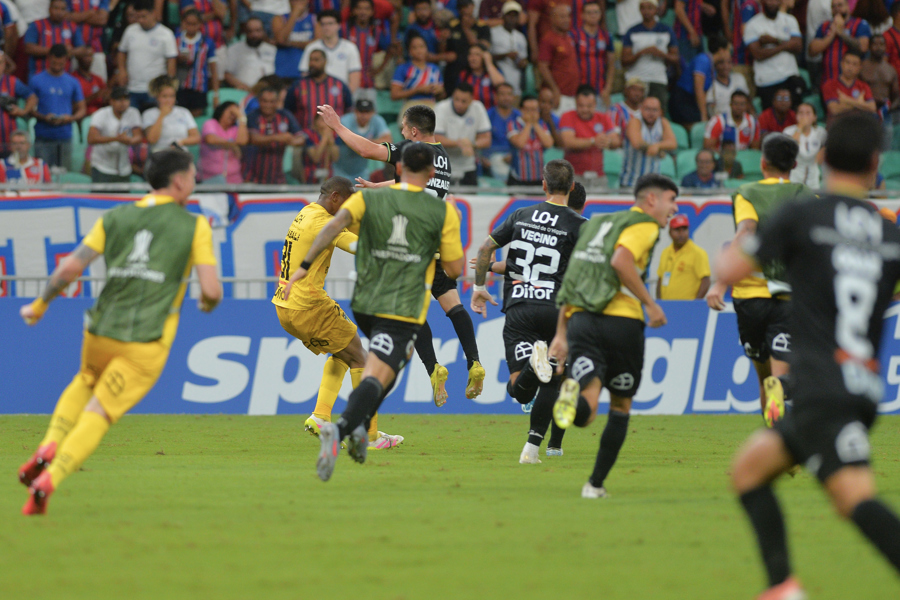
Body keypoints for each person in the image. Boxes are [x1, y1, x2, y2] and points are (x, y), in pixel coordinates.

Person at [722, 111, 900, 600]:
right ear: (875, 164)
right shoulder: (889, 233)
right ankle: (782, 587)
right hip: (860, 386)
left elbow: (733, 267)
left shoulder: (802, 216)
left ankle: (782, 587)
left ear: (821, 158)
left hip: (822, 385)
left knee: (853, 497)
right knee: (750, 469)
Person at [17, 148, 222, 515]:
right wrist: (208, 303)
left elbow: (69, 268)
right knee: (99, 412)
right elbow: (211, 290)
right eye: (192, 175)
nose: (194, 181)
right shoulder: (195, 226)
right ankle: (49, 480)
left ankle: (49, 444)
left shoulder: (115, 217)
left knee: (86, 379)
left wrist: (39, 305)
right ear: (178, 182)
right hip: (146, 342)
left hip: (100, 330)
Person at [280, 143, 464, 481]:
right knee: (375, 368)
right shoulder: (441, 211)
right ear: (432, 174)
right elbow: (454, 269)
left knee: (352, 354)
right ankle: (364, 431)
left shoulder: (359, 201)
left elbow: (336, 226)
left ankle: (327, 418)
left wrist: (303, 267)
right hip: (400, 305)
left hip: (361, 302)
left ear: (399, 169)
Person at [318, 102, 485, 404]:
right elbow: (413, 183)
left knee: (413, 311)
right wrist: (378, 186)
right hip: (437, 242)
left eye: (405, 129)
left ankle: (434, 369)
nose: (402, 134)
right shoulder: (441, 157)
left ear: (414, 131)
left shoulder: (410, 150)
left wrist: (337, 126)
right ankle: (474, 361)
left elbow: (368, 150)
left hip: (415, 246)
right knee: (453, 305)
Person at [548, 173, 678, 499]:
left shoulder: (596, 224)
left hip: (581, 321)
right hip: (621, 324)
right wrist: (650, 304)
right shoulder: (644, 225)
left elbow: (574, 276)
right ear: (651, 200)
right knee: (620, 405)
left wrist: (561, 333)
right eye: (671, 200)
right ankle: (594, 485)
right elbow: (622, 260)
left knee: (586, 411)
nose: (674, 208)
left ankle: (571, 397)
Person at [273, 176, 403, 449]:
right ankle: (368, 435)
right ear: (335, 198)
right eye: (347, 202)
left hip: (285, 306)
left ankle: (321, 416)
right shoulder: (324, 222)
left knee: (344, 352)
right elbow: (357, 246)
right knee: (361, 357)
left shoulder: (306, 213)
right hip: (308, 304)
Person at [471, 159, 586, 463]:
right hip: (556, 310)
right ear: (572, 187)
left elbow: (484, 250)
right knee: (553, 377)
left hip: (519, 307)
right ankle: (532, 449)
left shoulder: (521, 215)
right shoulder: (580, 226)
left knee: (518, 390)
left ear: (544, 185)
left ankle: (535, 369)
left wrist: (479, 286)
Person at [706, 133, 810, 419]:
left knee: (763, 377)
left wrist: (720, 283)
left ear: (763, 162)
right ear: (794, 164)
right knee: (780, 376)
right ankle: (780, 410)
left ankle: (772, 434)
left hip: (749, 297)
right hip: (787, 296)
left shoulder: (747, 192)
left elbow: (746, 232)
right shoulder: (803, 194)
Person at [30, 44, 86, 170]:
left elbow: (82, 109)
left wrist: (70, 118)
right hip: (43, 135)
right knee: (43, 173)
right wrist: (44, 117)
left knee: (64, 174)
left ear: (66, 60)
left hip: (65, 135)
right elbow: (30, 109)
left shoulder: (73, 82)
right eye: (54, 63)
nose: (57, 66)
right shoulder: (36, 80)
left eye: (60, 64)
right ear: (49, 58)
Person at [116, 0, 178, 110]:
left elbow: (171, 62)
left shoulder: (166, 34)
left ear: (153, 13)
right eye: (137, 17)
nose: (140, 20)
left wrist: (168, 86)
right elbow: (121, 52)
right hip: (133, 87)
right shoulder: (130, 31)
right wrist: (122, 70)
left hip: (154, 90)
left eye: (143, 16)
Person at [744, 0, 804, 110]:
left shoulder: (790, 20)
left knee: (795, 114)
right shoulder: (752, 25)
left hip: (790, 76)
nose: (772, 3)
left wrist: (774, 41)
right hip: (767, 80)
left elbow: (798, 47)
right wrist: (786, 45)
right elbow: (758, 54)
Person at [621, 0, 679, 109]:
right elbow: (624, 61)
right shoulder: (632, 31)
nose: (646, 11)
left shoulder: (666, 31)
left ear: (656, 10)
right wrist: (641, 53)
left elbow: (676, 58)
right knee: (634, 112)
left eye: (650, 8)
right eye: (643, 8)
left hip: (658, 79)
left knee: (658, 112)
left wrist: (660, 54)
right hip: (636, 79)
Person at [433, 82, 491, 186]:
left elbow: (487, 139)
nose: (459, 104)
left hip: (468, 165)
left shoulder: (478, 107)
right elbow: (436, 138)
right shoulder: (441, 107)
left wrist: (471, 145)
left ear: (471, 100)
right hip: (443, 164)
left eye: (464, 101)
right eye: (456, 99)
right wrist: (460, 143)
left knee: (470, 195)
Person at [243, 86, 304, 184]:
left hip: (277, 178)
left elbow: (301, 138)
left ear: (277, 102)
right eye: (265, 101)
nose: (268, 105)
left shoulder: (285, 115)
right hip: (251, 178)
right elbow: (254, 139)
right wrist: (279, 137)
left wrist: (291, 140)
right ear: (259, 101)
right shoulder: (253, 116)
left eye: (272, 101)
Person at [669, 33, 730, 128]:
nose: (730, 54)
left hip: (692, 100)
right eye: (728, 50)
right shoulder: (703, 60)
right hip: (683, 98)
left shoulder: (712, 67)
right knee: (697, 126)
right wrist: (703, 114)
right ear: (722, 50)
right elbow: (698, 89)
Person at [559, 85, 619, 180]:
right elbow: (568, 142)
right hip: (573, 175)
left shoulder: (603, 117)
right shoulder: (568, 116)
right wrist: (593, 141)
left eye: (589, 106)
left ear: (595, 104)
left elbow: (616, 141)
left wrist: (607, 141)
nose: (585, 109)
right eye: (581, 106)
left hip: (598, 175)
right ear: (576, 103)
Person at [285, 48, 353, 131]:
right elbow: (288, 111)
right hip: (306, 136)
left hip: (335, 136)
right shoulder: (298, 86)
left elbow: (349, 110)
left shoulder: (339, 85)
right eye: (310, 60)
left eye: (316, 60)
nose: (312, 63)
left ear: (325, 61)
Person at [87, 86, 143, 183]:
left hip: (124, 168)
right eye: (119, 99)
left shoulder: (133, 113)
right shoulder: (101, 114)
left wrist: (129, 140)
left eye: (126, 99)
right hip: (102, 167)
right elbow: (91, 138)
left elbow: (138, 137)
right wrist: (115, 139)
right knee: (100, 193)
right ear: (111, 101)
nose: (123, 103)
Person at [809, 0, 871, 85]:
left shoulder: (860, 24)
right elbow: (812, 51)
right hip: (828, 81)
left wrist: (841, 33)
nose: (836, 8)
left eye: (840, 5)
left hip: (853, 84)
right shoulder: (825, 26)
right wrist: (832, 34)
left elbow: (863, 47)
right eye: (833, 6)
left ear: (848, 6)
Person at [620, 96, 678, 188]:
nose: (651, 113)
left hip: (652, 182)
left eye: (654, 110)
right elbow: (637, 143)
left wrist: (657, 146)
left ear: (660, 112)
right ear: (641, 109)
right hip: (630, 181)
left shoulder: (663, 122)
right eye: (647, 109)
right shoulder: (635, 122)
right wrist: (658, 150)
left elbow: (673, 143)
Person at [341, 0, 392, 103]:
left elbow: (390, 49)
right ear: (353, 11)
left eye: (366, 9)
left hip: (368, 82)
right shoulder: (344, 29)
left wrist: (379, 69)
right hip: (347, 81)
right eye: (359, 8)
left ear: (372, 12)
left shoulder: (376, 31)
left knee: (370, 111)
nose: (363, 12)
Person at [299, 10, 361, 93]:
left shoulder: (350, 47)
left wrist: (344, 97)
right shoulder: (311, 48)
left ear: (339, 25)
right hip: (317, 95)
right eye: (323, 24)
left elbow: (355, 79)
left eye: (330, 23)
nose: (326, 27)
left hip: (342, 95)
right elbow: (305, 75)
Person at [23, 0, 87, 79]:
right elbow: (28, 48)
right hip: (39, 75)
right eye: (56, 8)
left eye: (63, 9)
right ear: (49, 9)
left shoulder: (72, 26)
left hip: (64, 77)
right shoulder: (37, 25)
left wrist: (70, 52)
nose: (59, 12)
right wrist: (56, 51)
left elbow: (82, 49)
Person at [175, 8, 219, 118]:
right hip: (180, 86)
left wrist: (216, 94)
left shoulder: (207, 42)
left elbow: (213, 70)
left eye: (194, 24)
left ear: (200, 24)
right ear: (183, 22)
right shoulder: (176, 40)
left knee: (196, 116)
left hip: (199, 87)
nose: (191, 27)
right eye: (188, 23)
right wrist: (178, 59)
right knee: (179, 115)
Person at [571, 1, 615, 109]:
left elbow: (611, 64)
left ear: (600, 15)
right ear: (582, 15)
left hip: (600, 90)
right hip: (577, 89)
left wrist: (608, 88)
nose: (593, 15)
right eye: (589, 12)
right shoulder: (574, 35)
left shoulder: (606, 36)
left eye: (596, 12)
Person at [333, 98, 390, 181]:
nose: (364, 115)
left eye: (367, 112)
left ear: (373, 112)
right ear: (355, 111)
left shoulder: (377, 120)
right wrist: (370, 143)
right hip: (341, 169)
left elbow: (388, 140)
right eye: (361, 112)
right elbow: (349, 141)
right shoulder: (345, 120)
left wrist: (365, 143)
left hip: (362, 171)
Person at [656, 213, 710, 299]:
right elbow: (660, 280)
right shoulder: (665, 252)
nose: (681, 234)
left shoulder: (698, 253)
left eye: (684, 229)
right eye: (677, 230)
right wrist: (659, 302)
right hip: (666, 305)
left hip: (686, 305)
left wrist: (695, 304)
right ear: (670, 232)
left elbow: (706, 281)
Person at [537, 4, 579, 114]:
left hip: (572, 94)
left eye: (568, 16)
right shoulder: (548, 39)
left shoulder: (569, 37)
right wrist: (555, 90)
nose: (566, 20)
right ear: (552, 18)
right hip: (558, 95)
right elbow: (542, 67)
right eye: (562, 17)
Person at [142, 76, 200, 154]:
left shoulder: (184, 112)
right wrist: (161, 115)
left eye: (172, 96)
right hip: (159, 155)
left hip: (181, 154)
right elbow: (152, 139)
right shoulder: (149, 114)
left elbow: (196, 137)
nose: (168, 100)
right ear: (157, 97)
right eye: (164, 96)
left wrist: (181, 142)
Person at [861, 34, 900, 147]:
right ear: (869, 47)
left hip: (885, 114)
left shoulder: (891, 70)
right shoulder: (861, 67)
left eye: (882, 44)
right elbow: (854, 89)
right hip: (865, 112)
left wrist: (888, 107)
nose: (879, 47)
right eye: (875, 44)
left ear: (885, 47)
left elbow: (897, 96)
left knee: (885, 148)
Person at [506, 94, 553, 186]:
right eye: (528, 110)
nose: (532, 113)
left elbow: (549, 143)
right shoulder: (513, 125)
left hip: (539, 177)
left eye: (535, 109)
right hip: (518, 177)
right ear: (521, 110)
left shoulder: (542, 125)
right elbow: (520, 143)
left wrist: (535, 124)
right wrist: (528, 124)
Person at [199, 100, 249, 183]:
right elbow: (211, 139)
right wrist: (233, 145)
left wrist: (241, 118)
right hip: (210, 178)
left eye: (235, 114)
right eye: (231, 112)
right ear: (222, 110)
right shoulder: (211, 123)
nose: (233, 116)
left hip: (234, 179)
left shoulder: (235, 129)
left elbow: (242, 141)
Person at [822, 50, 877, 125]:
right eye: (847, 62)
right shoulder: (829, 84)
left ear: (859, 68)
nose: (850, 67)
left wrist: (847, 100)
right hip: (837, 125)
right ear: (841, 64)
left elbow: (872, 108)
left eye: (854, 64)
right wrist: (860, 103)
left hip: (858, 124)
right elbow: (834, 110)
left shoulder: (863, 86)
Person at [223, 17, 276, 92]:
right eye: (250, 31)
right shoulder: (234, 49)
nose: (254, 35)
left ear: (263, 31)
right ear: (245, 32)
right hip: (243, 92)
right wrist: (241, 85)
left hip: (268, 92)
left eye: (258, 30)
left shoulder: (272, 50)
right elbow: (227, 74)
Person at [390, 34, 444, 105]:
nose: (419, 51)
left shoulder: (435, 69)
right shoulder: (403, 68)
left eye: (422, 46)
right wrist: (417, 90)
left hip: (431, 106)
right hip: (411, 106)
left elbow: (442, 96)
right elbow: (394, 95)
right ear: (409, 51)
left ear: (426, 49)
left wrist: (440, 91)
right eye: (414, 48)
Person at [0, 56, 37, 158]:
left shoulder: (12, 82)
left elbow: (32, 97)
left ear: (4, 64)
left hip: (8, 142)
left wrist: (23, 111)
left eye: (0, 63)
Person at [783, 102, 827, 188]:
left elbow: (823, 153)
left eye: (808, 113)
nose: (804, 116)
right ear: (796, 116)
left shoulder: (820, 132)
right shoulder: (788, 131)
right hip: (795, 173)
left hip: (813, 174)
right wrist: (800, 128)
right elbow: (789, 150)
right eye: (801, 113)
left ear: (814, 117)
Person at [490, 1, 528, 96]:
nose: (512, 18)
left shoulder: (520, 37)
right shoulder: (493, 33)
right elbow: (487, 57)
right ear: (503, 16)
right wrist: (506, 55)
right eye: (509, 15)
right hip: (496, 82)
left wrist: (523, 62)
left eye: (515, 16)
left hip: (516, 82)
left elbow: (524, 59)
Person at [272, 0, 316, 82]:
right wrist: (294, 14)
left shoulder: (314, 19)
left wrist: (289, 43)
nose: (298, 2)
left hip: (307, 72)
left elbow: (316, 44)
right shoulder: (280, 18)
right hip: (284, 72)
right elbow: (281, 40)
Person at [65, 0, 110, 81]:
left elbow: (102, 19)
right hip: (73, 50)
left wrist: (77, 16)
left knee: (100, 84)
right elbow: (65, 17)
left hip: (96, 49)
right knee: (71, 84)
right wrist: (89, 13)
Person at [485, 82, 519, 181]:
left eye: (509, 94)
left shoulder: (519, 117)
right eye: (502, 94)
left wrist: (514, 155)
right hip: (492, 158)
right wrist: (483, 158)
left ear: (513, 97)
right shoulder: (488, 115)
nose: (506, 98)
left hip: (514, 157)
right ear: (495, 97)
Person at [458, 45, 505, 110]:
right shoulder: (463, 74)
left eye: (477, 55)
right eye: (470, 55)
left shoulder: (493, 71)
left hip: (491, 112)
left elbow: (501, 85)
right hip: (471, 112)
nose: (473, 58)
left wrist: (488, 63)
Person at [706, 52, 750, 119]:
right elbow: (711, 112)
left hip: (742, 119)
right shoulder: (711, 86)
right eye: (721, 63)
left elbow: (748, 102)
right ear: (715, 66)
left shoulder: (739, 78)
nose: (726, 66)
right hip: (723, 121)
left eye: (729, 62)